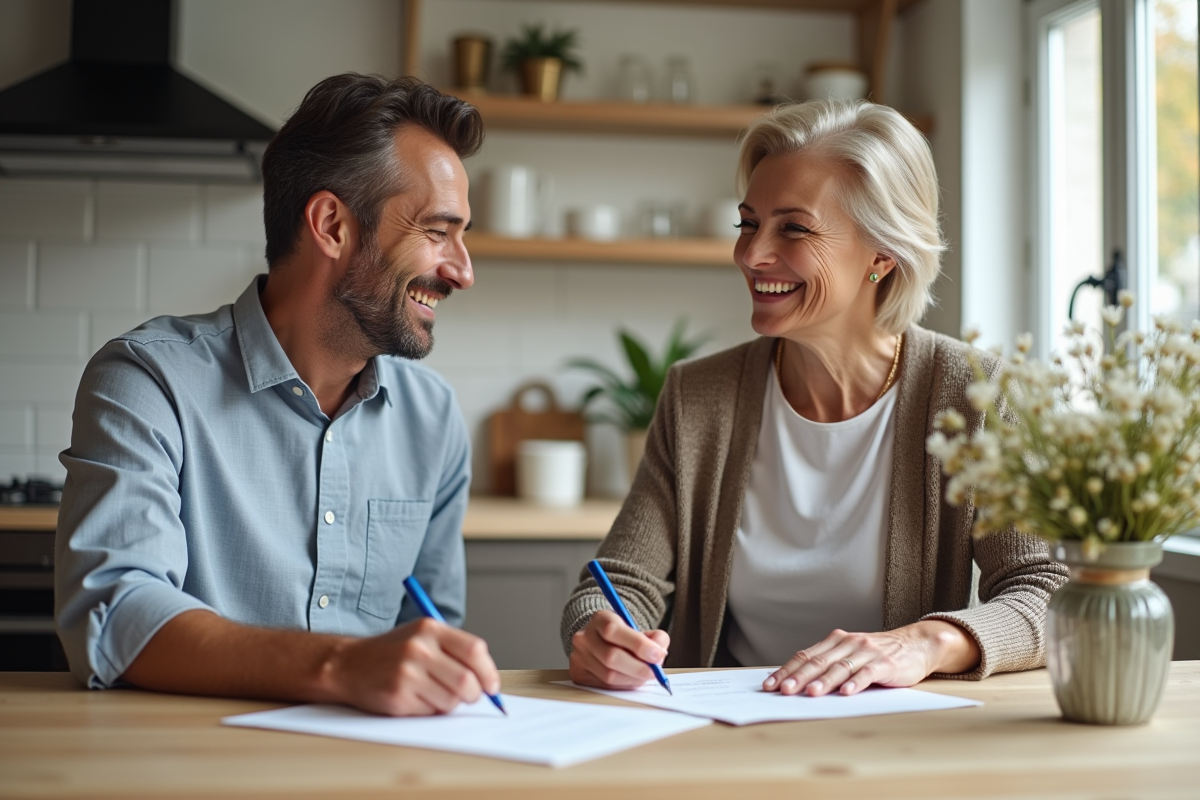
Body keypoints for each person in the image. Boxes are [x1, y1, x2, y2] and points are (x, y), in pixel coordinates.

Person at [562, 99, 1069, 697]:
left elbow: (1047, 594)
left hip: (898, 741)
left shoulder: (975, 396)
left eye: (793, 228)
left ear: (883, 253)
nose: (752, 255)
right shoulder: (697, 398)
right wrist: (602, 631)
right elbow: (618, 581)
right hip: (727, 734)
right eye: (748, 223)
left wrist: (924, 642)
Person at [55, 74, 499, 716]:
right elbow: (115, 611)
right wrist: (342, 666)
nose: (462, 269)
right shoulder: (148, 382)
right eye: (437, 231)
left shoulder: (433, 420)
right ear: (331, 225)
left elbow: (430, 634)